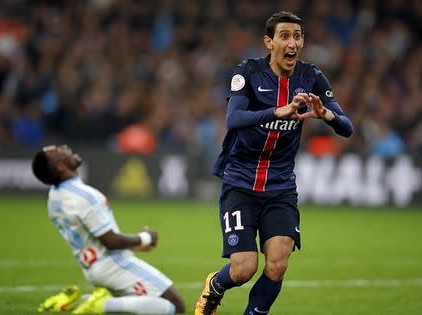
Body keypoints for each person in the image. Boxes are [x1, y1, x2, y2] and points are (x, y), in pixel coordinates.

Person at [194, 11, 353, 315]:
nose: (292, 42)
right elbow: (234, 118)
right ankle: (214, 286)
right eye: (284, 36)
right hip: (240, 182)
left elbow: (347, 127)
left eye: (297, 36)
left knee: (277, 263)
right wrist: (275, 112)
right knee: (243, 269)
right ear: (269, 42)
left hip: (280, 186)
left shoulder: (312, 77)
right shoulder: (248, 73)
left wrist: (326, 115)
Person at [32, 144, 185, 314]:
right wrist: (145, 237)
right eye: (59, 150)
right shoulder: (85, 196)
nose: (65, 147)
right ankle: (101, 305)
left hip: (92, 268)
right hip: (114, 265)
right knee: (175, 305)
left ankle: (73, 302)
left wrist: (133, 245)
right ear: (61, 166)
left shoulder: (54, 198)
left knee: (135, 302)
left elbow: (91, 235)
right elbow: (110, 241)